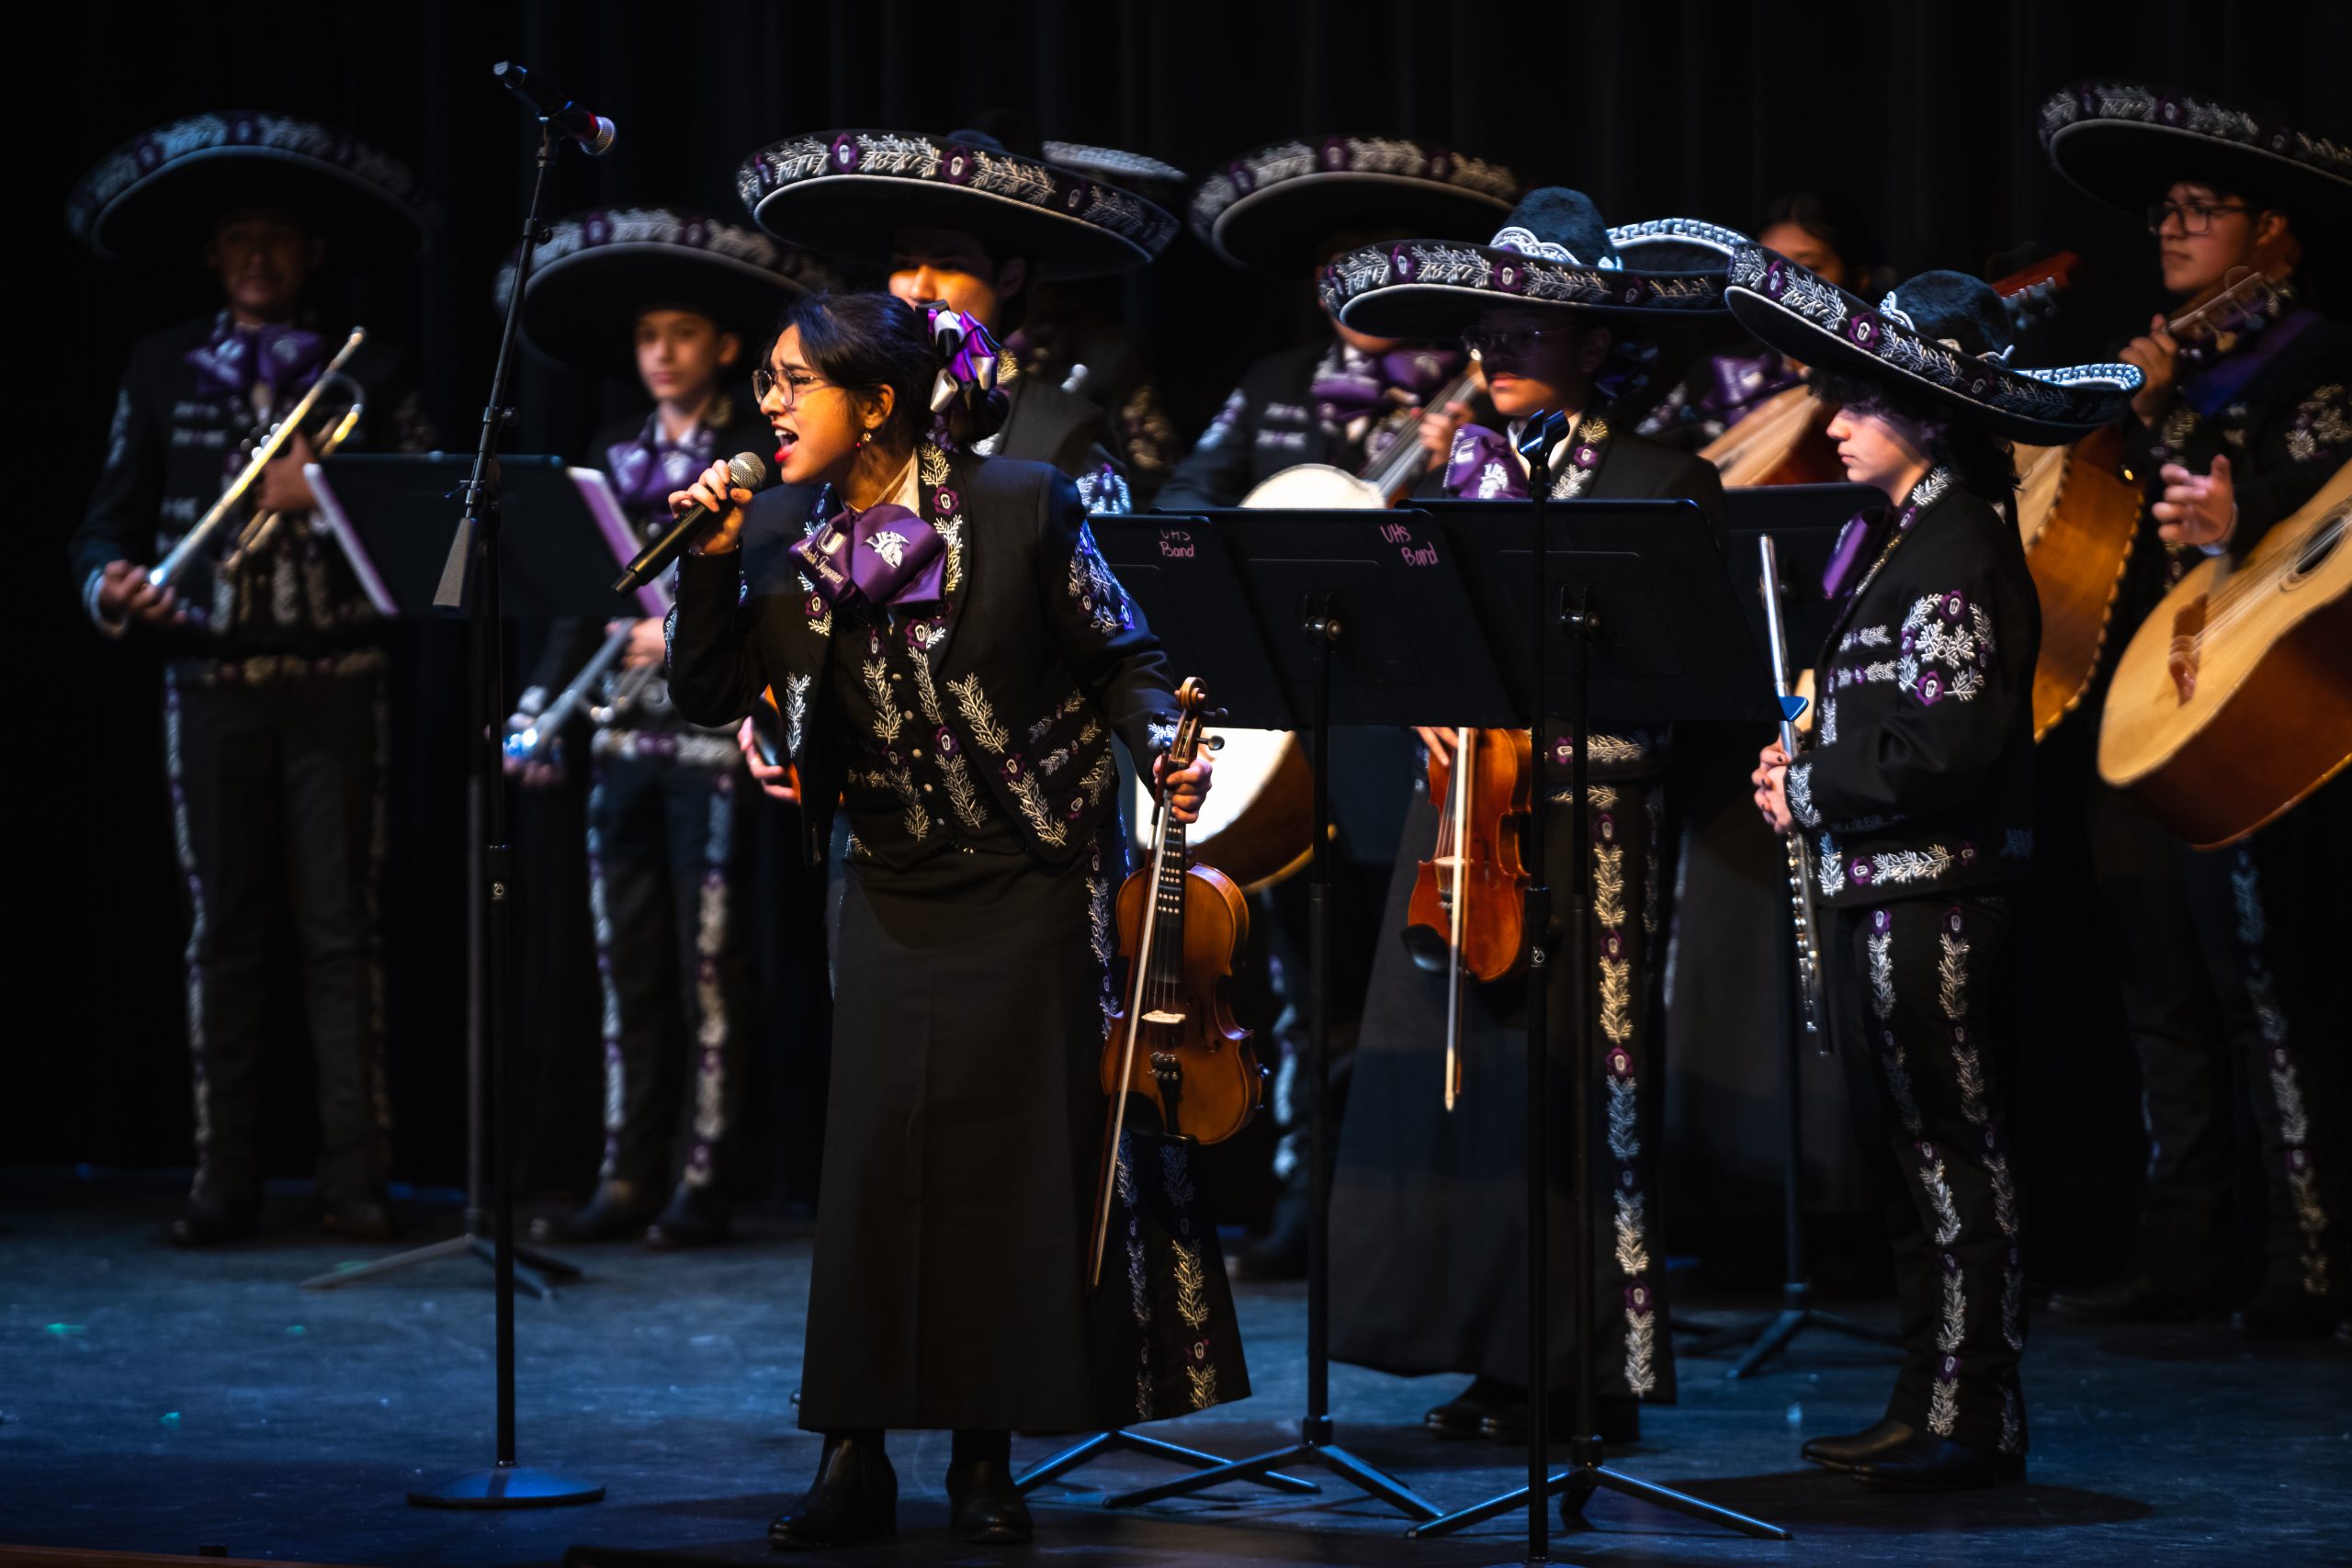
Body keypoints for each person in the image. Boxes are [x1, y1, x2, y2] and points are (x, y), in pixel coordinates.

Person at [663, 290, 1234, 1549]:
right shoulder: (771, 533)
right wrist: (705, 561)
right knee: (874, 1167)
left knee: (1005, 1175)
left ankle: (986, 1461)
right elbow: (708, 691)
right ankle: (853, 1455)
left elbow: (1120, 654)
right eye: (764, 380)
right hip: (885, 882)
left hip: (1029, 877)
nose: (768, 402)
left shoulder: (1019, 501)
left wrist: (1160, 752)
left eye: (793, 381)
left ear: (877, 402)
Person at [1314, 188, 1736, 1447]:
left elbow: (1691, 676)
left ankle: (1589, 1368)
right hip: (1466, 816)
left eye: (1529, 331)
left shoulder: (1666, 479)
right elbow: (1417, 640)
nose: (1494, 351)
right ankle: (1497, 1353)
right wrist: (1423, 702)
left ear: (1598, 345)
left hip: (1593, 826)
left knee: (1577, 1079)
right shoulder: (1459, 472)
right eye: (1487, 329)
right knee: (1468, 1083)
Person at [1730, 243, 2143, 1487]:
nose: (1838, 417)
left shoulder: (1959, 540)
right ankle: (1928, 1397)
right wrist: (1803, 762)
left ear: (1926, 415)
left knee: (1956, 1148)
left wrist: (1807, 785)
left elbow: (1945, 744)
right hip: (1883, 889)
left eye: (1864, 398)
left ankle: (1976, 1412)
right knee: (1911, 1158)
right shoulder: (1901, 540)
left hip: (1940, 896)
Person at [67, 112, 431, 1246]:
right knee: (220, 933)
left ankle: (354, 1174)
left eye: (279, 237)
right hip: (207, 685)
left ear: (311, 253)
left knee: (339, 932)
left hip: (337, 680)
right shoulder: (160, 363)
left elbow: (433, 534)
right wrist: (107, 585)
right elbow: (103, 522)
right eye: (239, 239)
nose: (260, 257)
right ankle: (220, 1177)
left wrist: (325, 492)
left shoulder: (368, 366)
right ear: (215, 257)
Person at [2036, 81, 2351, 1339]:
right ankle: (2189, 1246)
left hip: (2269, 717)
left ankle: (2312, 1256)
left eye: (2201, 210)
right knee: (2158, 990)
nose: (2172, 232)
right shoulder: (2151, 362)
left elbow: (2328, 500)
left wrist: (2241, 507)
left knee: (2271, 990)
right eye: (2163, 212)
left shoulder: (2323, 355)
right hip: (2143, 717)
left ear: (2269, 233)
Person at [492, 208, 833, 1246]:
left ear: (724, 349)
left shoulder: (757, 454)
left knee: (709, 970)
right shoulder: (610, 450)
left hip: (709, 748)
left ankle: (703, 1176)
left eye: (682, 335)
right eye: (648, 339)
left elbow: (774, 585)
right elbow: (579, 596)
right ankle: (625, 1173)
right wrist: (538, 711)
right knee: (624, 966)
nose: (663, 355)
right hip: (618, 742)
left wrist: (679, 628)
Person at [735, 126, 1178, 512]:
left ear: (1009, 278)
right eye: (905, 264)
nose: (918, 289)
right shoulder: (848, 408)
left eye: (948, 265)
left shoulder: (1063, 430)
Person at [1156, 134, 1520, 508]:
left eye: (1385, 279)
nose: (1367, 299)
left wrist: (1448, 471)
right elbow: (1187, 491)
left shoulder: (1481, 393)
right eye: (1349, 278)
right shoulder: (1273, 381)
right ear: (1319, 285)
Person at [1637, 189, 1886, 448]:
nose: (1785, 286)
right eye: (1770, 270)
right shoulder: (1718, 375)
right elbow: (1641, 461)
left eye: (1809, 268)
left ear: (1860, 279)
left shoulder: (1885, 385)